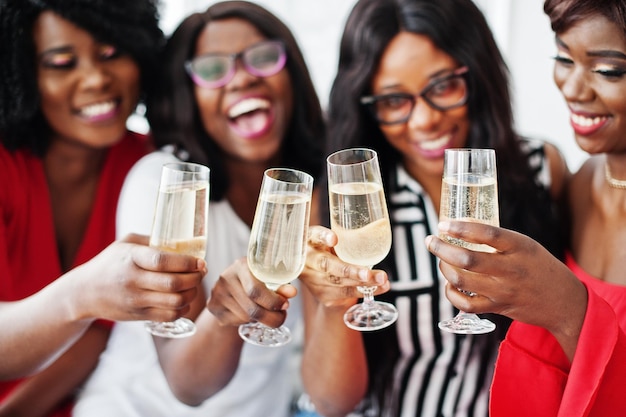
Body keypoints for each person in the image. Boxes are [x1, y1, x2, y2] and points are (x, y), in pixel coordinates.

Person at [298, 0, 571, 416]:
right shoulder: (341, 206)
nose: (424, 120)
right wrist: (337, 304)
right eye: (394, 100)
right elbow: (332, 402)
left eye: (442, 86)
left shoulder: (541, 169)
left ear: (476, 76)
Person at [72, 2, 343, 416]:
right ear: (187, 94)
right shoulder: (165, 182)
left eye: (264, 58)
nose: (243, 79)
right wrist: (225, 313)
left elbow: (330, 391)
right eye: (213, 70)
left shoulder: (317, 191)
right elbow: (188, 383)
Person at [0, 1, 207, 416]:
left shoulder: (152, 169)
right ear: (22, 73)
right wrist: (82, 295)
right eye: (61, 63)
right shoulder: (7, 168)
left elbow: (99, 337)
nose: (96, 78)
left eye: (112, 54)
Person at [424, 0, 626, 415]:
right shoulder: (582, 183)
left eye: (608, 70)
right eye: (563, 58)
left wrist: (569, 309)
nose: (573, 88)